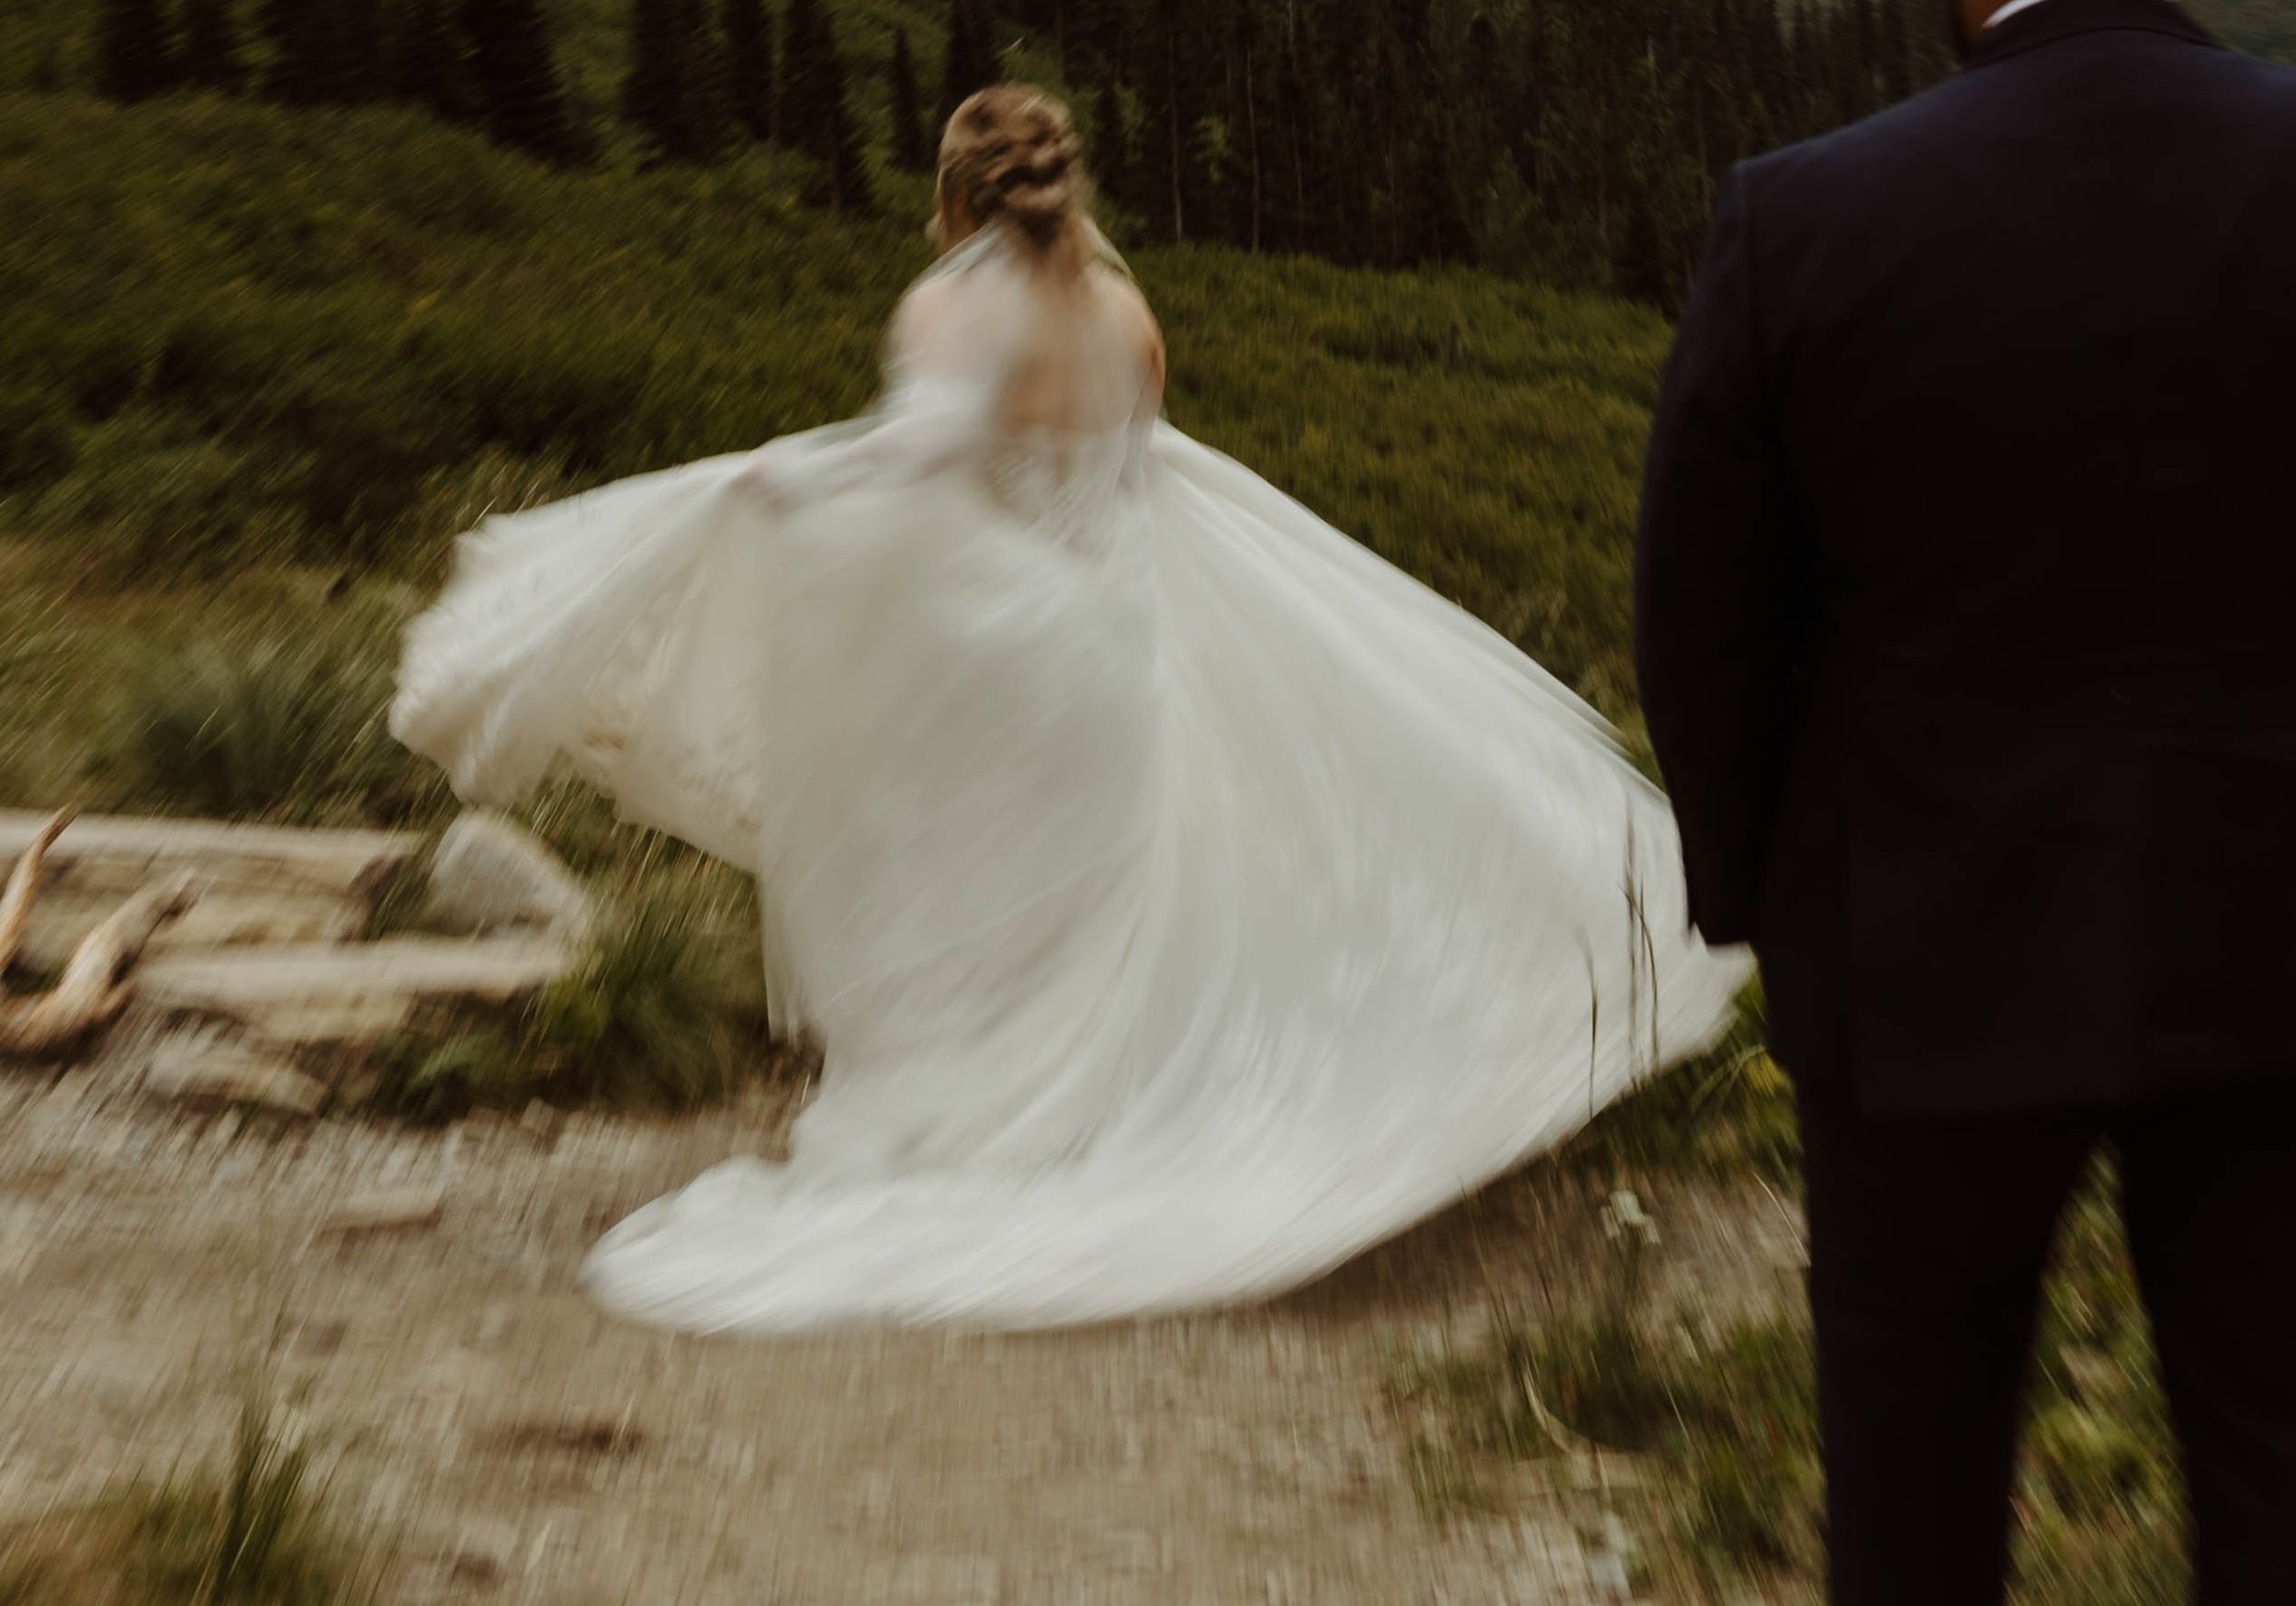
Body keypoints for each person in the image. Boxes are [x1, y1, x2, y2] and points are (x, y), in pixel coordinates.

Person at [395, 81, 1743, 1332]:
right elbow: (1134, 470)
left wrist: (779, 483)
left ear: (956, 194)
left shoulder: (956, 304)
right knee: (1080, 914)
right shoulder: (1120, 309)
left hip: (1004, 658)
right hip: (1107, 656)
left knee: (975, 901)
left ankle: (995, 1134)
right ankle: (1079, 1119)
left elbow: (929, 447)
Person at [1637, 0, 2296, 1604]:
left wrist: (1764, 897)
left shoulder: (1801, 215)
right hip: (2278, 939)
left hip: (1925, 953)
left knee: (1914, 1495)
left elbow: (1702, 612)